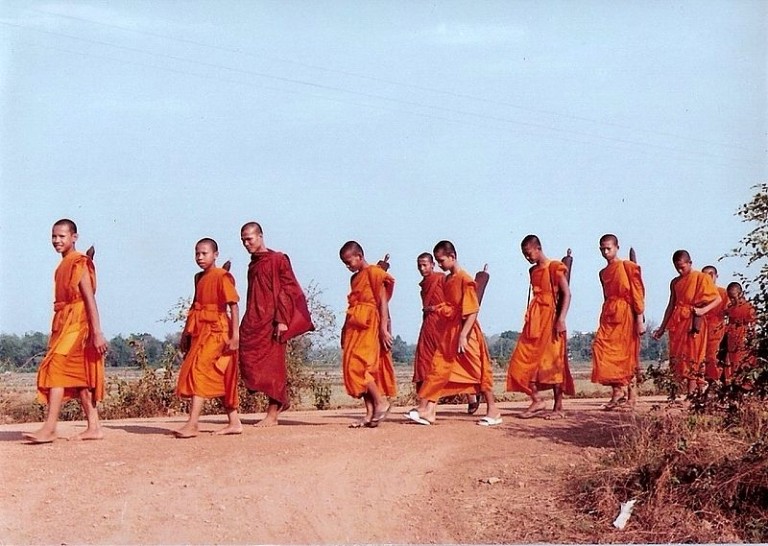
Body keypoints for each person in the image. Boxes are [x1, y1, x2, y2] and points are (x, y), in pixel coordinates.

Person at [23, 219, 108, 443]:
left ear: (74, 237)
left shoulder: (79, 262)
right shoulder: (63, 265)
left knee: (55, 367)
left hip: (78, 322)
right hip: (63, 322)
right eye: (54, 236)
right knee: (78, 376)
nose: (57, 241)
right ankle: (94, 427)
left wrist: (97, 331)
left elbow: (89, 299)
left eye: (62, 236)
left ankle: (50, 428)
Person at [406, 240, 501, 426]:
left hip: (467, 331)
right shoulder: (448, 279)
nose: (439, 265)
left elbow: (472, 310)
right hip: (450, 331)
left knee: (478, 371)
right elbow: (450, 305)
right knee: (438, 368)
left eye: (441, 261)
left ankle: (494, 410)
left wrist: (464, 335)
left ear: (452, 257)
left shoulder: (465, 279)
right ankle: (430, 411)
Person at [239, 222, 312, 427]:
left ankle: (273, 412)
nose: (246, 243)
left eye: (249, 239)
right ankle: (280, 403)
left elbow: (287, 290)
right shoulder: (254, 264)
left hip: (273, 321)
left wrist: (282, 320)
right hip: (254, 320)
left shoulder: (278, 259)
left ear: (260, 236)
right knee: (247, 360)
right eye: (243, 240)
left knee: (274, 368)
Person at [174, 238, 242, 438]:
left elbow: (234, 306)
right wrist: (186, 334)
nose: (200, 257)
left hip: (218, 331)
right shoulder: (199, 278)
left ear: (215, 255)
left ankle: (193, 423)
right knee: (222, 374)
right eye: (197, 254)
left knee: (199, 370)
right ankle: (235, 422)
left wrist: (235, 335)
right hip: (200, 330)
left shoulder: (222, 276)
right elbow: (195, 305)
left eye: (204, 253)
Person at [506, 235, 573, 420]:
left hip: (551, 321)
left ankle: (558, 407)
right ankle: (537, 399)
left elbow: (567, 294)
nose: (527, 258)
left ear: (538, 248)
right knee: (520, 363)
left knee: (553, 365)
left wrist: (561, 319)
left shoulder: (554, 267)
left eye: (529, 254)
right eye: (524, 255)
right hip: (535, 321)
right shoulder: (532, 271)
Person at [339, 241, 396, 428]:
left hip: (371, 323)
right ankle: (370, 413)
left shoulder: (374, 273)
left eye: (349, 262)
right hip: (354, 324)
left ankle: (381, 402)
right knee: (351, 367)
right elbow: (352, 304)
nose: (348, 267)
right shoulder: (354, 279)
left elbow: (382, 302)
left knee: (362, 366)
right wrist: (343, 329)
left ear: (359, 256)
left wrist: (384, 328)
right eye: (345, 264)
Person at [652, 250, 722, 396]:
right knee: (678, 357)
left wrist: (703, 311)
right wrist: (662, 328)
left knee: (693, 356)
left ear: (690, 263)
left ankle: (692, 393)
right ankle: (680, 392)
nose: (679, 270)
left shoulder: (701, 278)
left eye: (682, 267)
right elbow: (671, 305)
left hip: (694, 321)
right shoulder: (675, 282)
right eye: (676, 267)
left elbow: (717, 299)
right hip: (678, 323)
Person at [590, 234, 646, 411]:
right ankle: (618, 392)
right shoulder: (603, 272)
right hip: (609, 314)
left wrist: (639, 319)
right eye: (602, 249)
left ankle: (631, 397)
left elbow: (638, 293)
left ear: (617, 247)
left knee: (627, 355)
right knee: (601, 349)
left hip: (626, 314)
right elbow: (606, 296)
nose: (606, 252)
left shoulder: (627, 266)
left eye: (609, 248)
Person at [412, 253, 445, 393]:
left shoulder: (441, 279)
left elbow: (452, 301)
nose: (422, 268)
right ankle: (424, 396)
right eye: (419, 265)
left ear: (433, 264)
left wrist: (436, 308)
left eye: (425, 265)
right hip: (428, 324)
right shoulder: (424, 284)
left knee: (448, 359)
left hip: (442, 323)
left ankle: (471, 395)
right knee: (423, 358)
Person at [723, 281, 756, 382]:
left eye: (733, 297)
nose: (732, 300)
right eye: (730, 297)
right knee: (731, 361)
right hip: (732, 338)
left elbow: (752, 325)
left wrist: (749, 338)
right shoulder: (730, 308)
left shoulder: (749, 307)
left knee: (744, 361)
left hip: (743, 338)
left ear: (741, 294)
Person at [701, 265, 729, 383]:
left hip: (717, 329)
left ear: (715, 276)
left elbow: (730, 310)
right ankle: (702, 382)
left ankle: (714, 380)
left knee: (713, 356)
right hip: (701, 330)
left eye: (711, 275)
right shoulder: (700, 293)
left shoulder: (723, 293)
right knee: (701, 357)